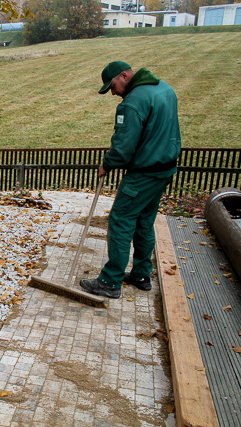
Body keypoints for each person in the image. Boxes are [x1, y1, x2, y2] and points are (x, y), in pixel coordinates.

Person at [80, 61, 181, 299]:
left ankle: (110, 281)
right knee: (144, 221)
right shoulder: (165, 89)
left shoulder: (133, 102)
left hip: (144, 173)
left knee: (121, 219)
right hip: (165, 170)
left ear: (124, 75)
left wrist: (108, 163)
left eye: (112, 86)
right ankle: (141, 275)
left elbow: (124, 146)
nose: (113, 93)